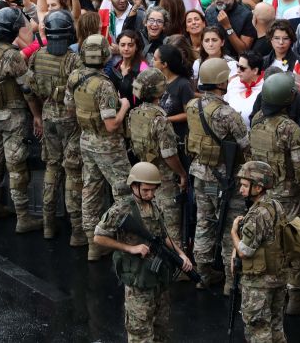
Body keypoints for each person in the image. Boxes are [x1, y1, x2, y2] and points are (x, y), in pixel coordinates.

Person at [92, 162, 193, 342]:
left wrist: (181, 255)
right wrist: (130, 248)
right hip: (138, 278)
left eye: (153, 190)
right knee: (140, 332)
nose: (150, 194)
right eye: (146, 190)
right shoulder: (122, 209)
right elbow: (99, 236)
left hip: (158, 276)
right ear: (134, 186)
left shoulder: (154, 206)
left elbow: (164, 236)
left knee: (161, 328)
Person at [0, 6, 44, 233]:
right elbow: (28, 90)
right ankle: (23, 217)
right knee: (16, 165)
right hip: (12, 116)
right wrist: (36, 116)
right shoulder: (11, 56)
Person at [247, 72, 300, 313]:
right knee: (294, 241)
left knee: (269, 239)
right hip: (288, 195)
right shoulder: (290, 129)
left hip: (265, 192)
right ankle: (294, 294)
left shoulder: (257, 120)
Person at [186, 57, 250, 287]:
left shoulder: (193, 106)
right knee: (229, 226)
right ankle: (231, 281)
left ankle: (202, 274)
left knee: (204, 222)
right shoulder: (226, 113)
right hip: (224, 178)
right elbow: (246, 144)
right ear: (222, 82)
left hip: (199, 173)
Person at [66, 34, 127, 259]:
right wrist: (125, 107)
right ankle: (111, 236)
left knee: (90, 189)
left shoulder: (75, 76)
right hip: (107, 144)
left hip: (86, 139)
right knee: (124, 192)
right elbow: (111, 124)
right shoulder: (104, 85)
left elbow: (69, 107)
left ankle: (93, 243)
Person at [28, 10, 83, 241]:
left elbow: (29, 90)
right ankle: (77, 230)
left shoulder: (37, 57)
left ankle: (48, 225)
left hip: (48, 115)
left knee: (52, 167)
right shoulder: (73, 60)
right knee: (72, 172)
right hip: (71, 120)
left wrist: (38, 115)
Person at [231, 161, 292, 343]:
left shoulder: (257, 215)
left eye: (245, 185)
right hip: (278, 277)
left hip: (259, 282)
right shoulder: (276, 204)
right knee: (276, 326)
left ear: (258, 187)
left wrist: (234, 232)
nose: (241, 189)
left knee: (257, 328)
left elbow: (244, 251)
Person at [127, 68, 187, 246]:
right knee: (171, 223)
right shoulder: (160, 119)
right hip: (163, 177)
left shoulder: (134, 113)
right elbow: (169, 155)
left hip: (143, 171)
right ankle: (177, 267)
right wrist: (182, 173)